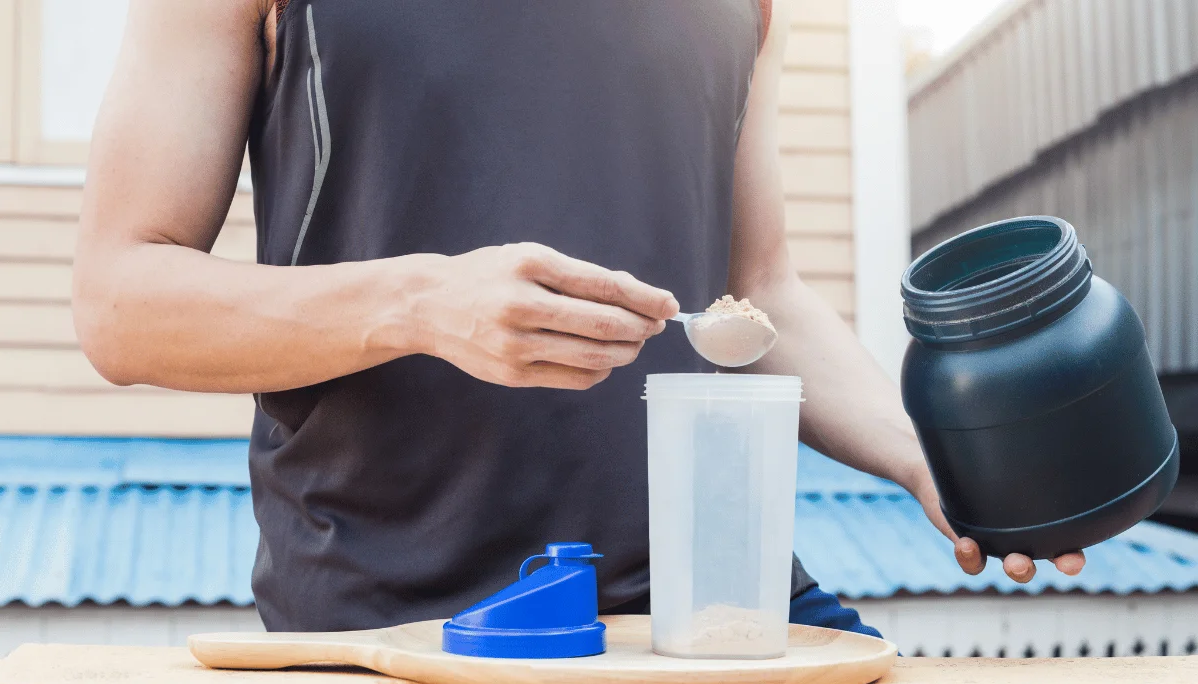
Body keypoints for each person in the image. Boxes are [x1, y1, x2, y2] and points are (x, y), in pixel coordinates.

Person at [73, 0, 1085, 635]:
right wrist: (420, 302)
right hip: (399, 619)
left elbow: (759, 291)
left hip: (716, 607)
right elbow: (121, 300)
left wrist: (927, 455)